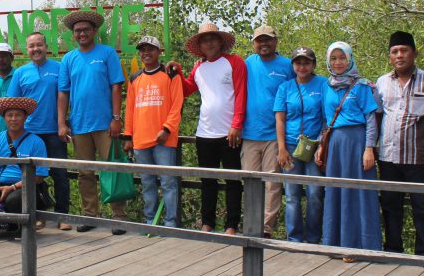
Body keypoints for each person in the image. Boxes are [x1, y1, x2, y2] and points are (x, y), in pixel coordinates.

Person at [376, 31, 424, 257]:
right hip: (388, 156)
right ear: (389, 56)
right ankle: (393, 250)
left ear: (414, 53)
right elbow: (378, 114)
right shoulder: (381, 82)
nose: (399, 55)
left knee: (423, 206)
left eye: (404, 50)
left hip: (418, 156)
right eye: (394, 52)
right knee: (390, 206)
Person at [57, 10, 127, 233]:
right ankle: (90, 215)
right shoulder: (68, 59)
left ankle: (119, 217)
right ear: (73, 34)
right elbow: (63, 93)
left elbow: (116, 86)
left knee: (112, 169)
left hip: (105, 123)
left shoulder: (107, 53)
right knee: (85, 172)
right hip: (79, 125)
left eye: (86, 29)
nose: (82, 33)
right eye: (77, 31)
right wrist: (61, 123)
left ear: (94, 31)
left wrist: (116, 118)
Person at [180, 23, 247, 234]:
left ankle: (231, 225)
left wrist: (236, 124)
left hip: (229, 132)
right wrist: (176, 72)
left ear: (220, 42)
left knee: (233, 181)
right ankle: (207, 223)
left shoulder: (234, 62)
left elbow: (241, 94)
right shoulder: (199, 67)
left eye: (212, 38)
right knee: (207, 180)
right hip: (204, 132)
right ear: (199, 45)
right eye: (204, 39)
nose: (208, 42)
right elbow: (186, 89)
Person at [315, 42, 381, 252]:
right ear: (328, 61)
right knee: (336, 191)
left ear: (350, 58)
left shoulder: (361, 86)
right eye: (333, 58)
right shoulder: (326, 86)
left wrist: (369, 148)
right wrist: (320, 145)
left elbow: (371, 118)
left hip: (357, 143)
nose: (338, 62)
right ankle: (336, 243)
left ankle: (362, 245)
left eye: (342, 58)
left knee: (360, 192)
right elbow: (326, 121)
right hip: (334, 144)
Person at [8, 32, 71, 230]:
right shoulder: (20, 73)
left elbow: (66, 97)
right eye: (31, 46)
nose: (36, 49)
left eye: (39, 45)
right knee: (32, 176)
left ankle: (62, 216)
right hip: (29, 133)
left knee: (60, 174)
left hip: (54, 131)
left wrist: (64, 124)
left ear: (46, 46)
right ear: (26, 50)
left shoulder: (59, 68)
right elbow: (13, 103)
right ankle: (38, 214)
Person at [123, 36, 183, 228]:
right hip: (140, 140)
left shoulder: (170, 75)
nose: (146, 53)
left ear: (159, 52)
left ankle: (170, 223)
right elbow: (130, 109)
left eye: (151, 49)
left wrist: (167, 129)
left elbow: (177, 106)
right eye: (142, 50)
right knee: (147, 183)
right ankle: (151, 222)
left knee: (168, 183)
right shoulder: (135, 78)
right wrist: (128, 136)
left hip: (164, 140)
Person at [242, 25, 295, 237]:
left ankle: (265, 229)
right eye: (259, 40)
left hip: (275, 135)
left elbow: (297, 90)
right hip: (249, 133)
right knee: (250, 181)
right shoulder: (247, 63)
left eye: (267, 40)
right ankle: (252, 224)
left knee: (273, 184)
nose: (263, 44)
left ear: (276, 41)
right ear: (254, 43)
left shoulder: (287, 65)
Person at [0, 97, 50, 240]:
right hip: (1, 187)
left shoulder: (37, 142)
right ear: (4, 117)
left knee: (14, 199)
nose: (13, 119)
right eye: (10, 115)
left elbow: (39, 177)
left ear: (25, 117)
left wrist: (12, 187)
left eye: (18, 115)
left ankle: (24, 226)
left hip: (25, 189)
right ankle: (7, 222)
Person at [274, 47, 328, 243]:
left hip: (315, 146)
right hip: (290, 145)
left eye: (306, 62)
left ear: (313, 65)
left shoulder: (323, 84)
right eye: (298, 62)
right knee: (292, 195)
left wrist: (323, 143)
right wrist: (281, 149)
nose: (302, 66)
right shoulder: (285, 88)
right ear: (293, 65)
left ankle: (314, 238)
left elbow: (327, 114)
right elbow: (280, 119)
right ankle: (295, 238)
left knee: (315, 193)